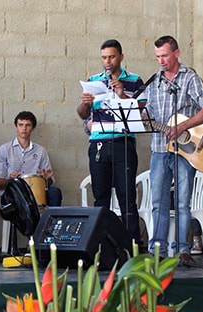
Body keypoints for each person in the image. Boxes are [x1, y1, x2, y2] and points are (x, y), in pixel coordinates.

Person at [143, 35, 203, 265]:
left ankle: (183, 249)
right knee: (158, 202)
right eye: (157, 57)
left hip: (186, 151)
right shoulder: (153, 82)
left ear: (176, 53)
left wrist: (183, 126)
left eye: (165, 55)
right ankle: (159, 249)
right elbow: (146, 114)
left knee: (182, 202)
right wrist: (143, 117)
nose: (161, 61)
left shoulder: (190, 78)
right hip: (159, 148)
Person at [76, 39, 143, 246]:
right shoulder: (94, 80)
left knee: (127, 199)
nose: (107, 61)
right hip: (99, 144)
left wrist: (122, 94)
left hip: (123, 143)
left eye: (112, 57)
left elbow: (140, 112)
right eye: (104, 57)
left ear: (121, 57)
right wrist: (85, 104)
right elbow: (82, 115)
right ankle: (101, 246)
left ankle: (131, 246)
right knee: (101, 198)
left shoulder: (134, 80)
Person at [0, 111, 62, 207]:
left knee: (54, 192)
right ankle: (29, 221)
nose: (24, 128)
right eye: (21, 125)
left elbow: (49, 183)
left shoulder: (40, 151)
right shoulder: (4, 149)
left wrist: (46, 178)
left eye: (28, 125)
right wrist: (11, 180)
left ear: (33, 128)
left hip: (35, 192)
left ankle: (51, 221)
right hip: (14, 191)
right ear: (16, 127)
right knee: (19, 200)